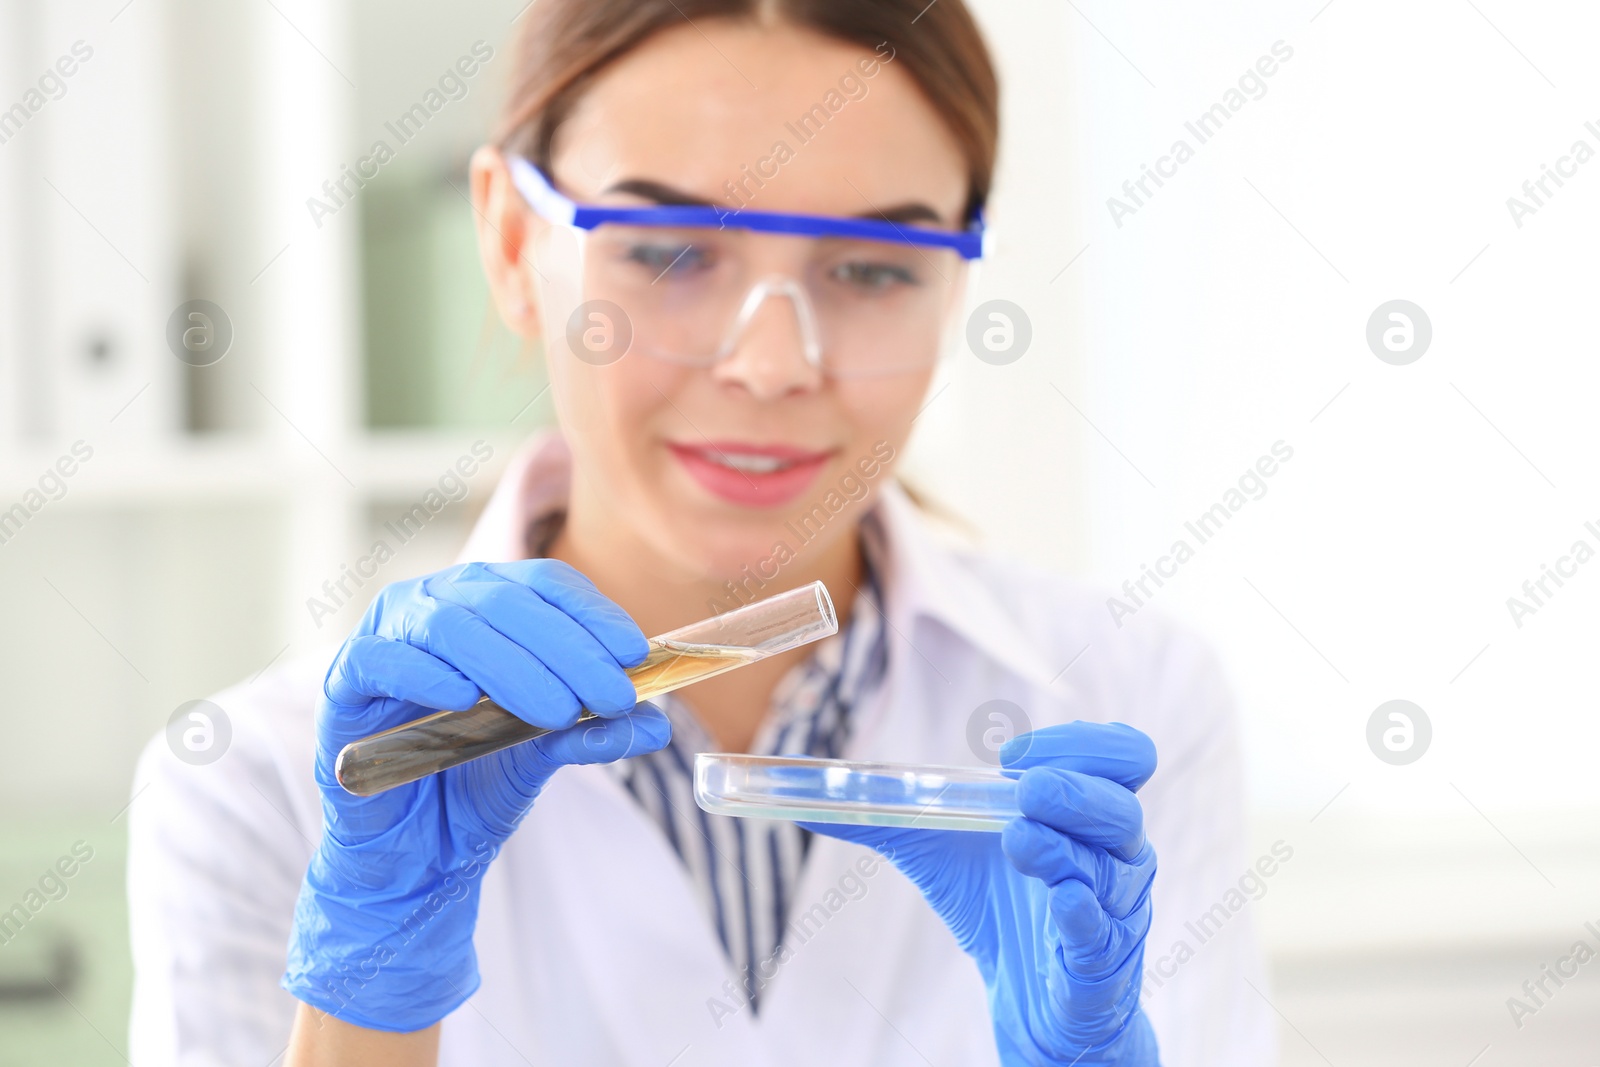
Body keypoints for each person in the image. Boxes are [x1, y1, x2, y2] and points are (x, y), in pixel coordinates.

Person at [126, 1, 1274, 1063]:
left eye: (873, 267)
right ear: (513, 244)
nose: (772, 363)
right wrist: (365, 998)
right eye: (670, 250)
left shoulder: (1132, 694)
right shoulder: (260, 783)